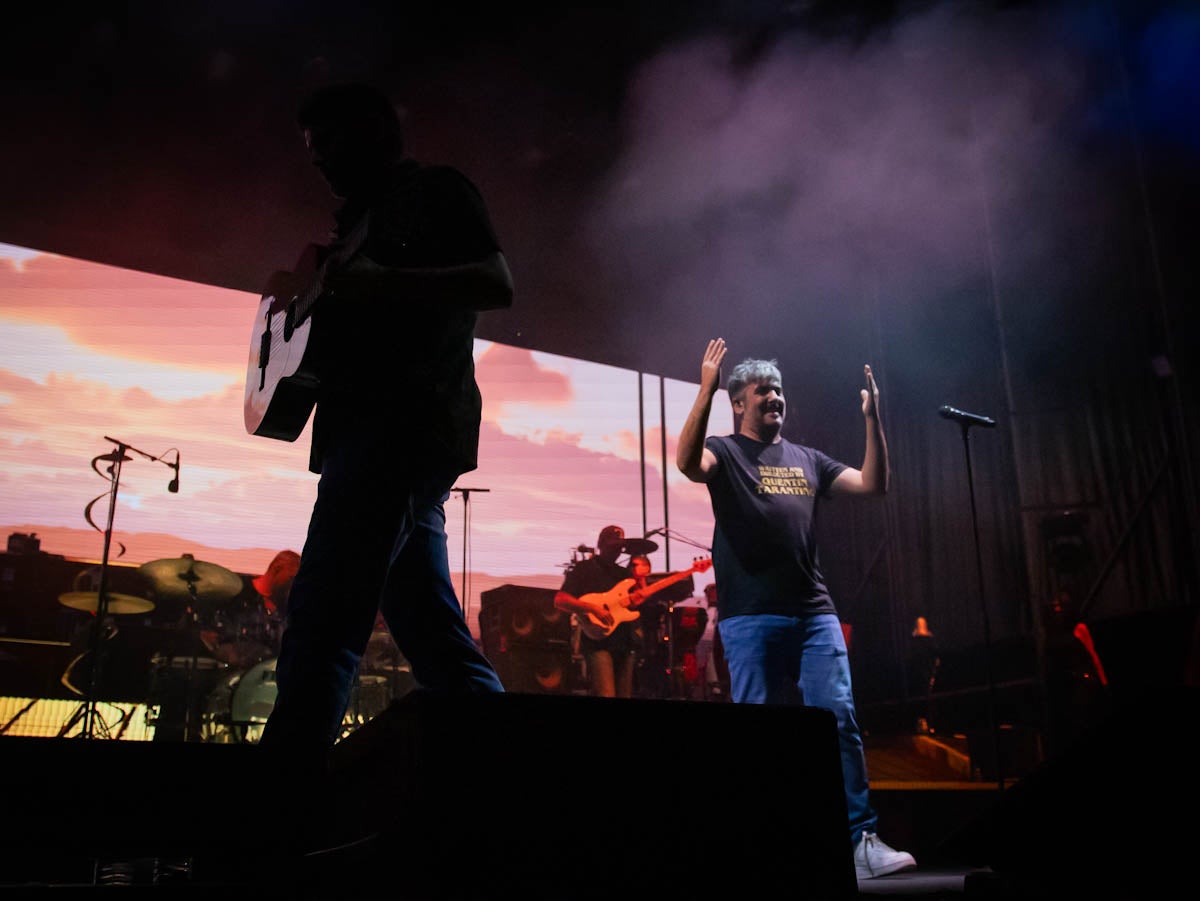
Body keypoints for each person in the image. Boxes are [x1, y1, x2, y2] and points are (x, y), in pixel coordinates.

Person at [257, 82, 509, 775]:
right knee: (437, 644)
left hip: (400, 429)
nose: (320, 163)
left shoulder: (432, 192)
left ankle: (279, 808)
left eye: (328, 145)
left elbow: (494, 281)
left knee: (323, 616)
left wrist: (377, 284)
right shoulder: (347, 232)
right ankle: (507, 779)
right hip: (369, 437)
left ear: (372, 132)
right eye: (312, 153)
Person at [675, 337, 916, 880]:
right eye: (764, 391)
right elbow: (687, 463)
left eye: (780, 390)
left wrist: (873, 419)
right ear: (739, 402)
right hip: (749, 615)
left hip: (814, 612)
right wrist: (704, 391)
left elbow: (874, 484)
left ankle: (860, 842)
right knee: (760, 730)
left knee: (840, 720)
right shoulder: (726, 450)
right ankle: (767, 845)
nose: (776, 398)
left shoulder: (808, 458)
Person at [554, 525, 646, 699]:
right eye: (612, 546)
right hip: (597, 644)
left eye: (619, 548)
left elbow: (631, 608)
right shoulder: (584, 569)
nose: (616, 551)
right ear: (600, 545)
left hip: (624, 642)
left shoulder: (624, 575)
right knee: (606, 693)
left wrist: (640, 593)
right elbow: (560, 600)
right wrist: (593, 609)